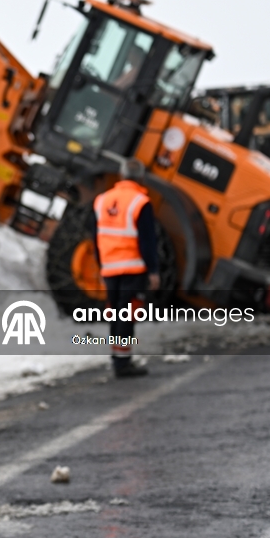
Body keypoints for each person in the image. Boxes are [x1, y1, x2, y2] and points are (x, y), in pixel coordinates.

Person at [92, 158, 160, 378]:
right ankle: (123, 363)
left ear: (121, 176)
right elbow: (147, 240)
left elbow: (96, 236)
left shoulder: (102, 200)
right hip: (132, 268)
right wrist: (153, 270)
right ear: (141, 178)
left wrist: (101, 265)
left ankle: (117, 357)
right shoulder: (140, 202)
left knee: (115, 313)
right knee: (127, 315)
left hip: (110, 268)